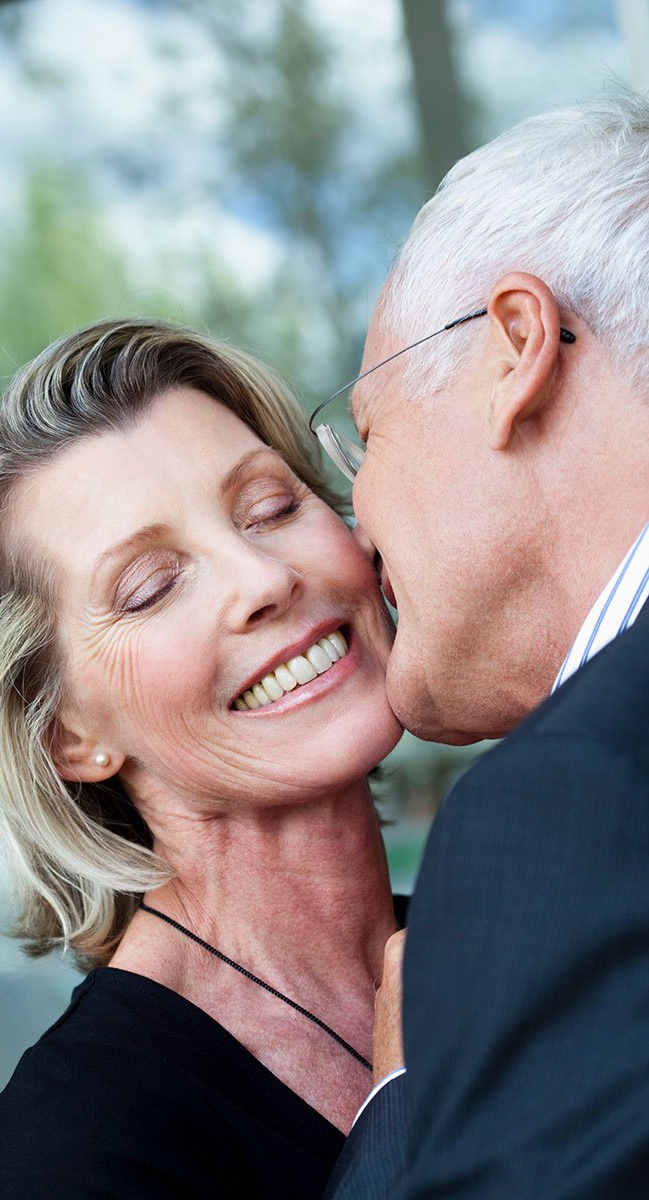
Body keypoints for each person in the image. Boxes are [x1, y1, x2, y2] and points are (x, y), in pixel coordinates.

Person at [0, 318, 409, 1199]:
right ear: (66, 735)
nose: (263, 579)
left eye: (273, 508)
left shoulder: (513, 929)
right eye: (151, 587)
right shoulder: (80, 1136)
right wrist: (405, 1118)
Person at [319, 93, 649, 1198]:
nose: (352, 529)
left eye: (363, 437)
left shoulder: (571, 805)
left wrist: (407, 1094)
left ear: (514, 348)